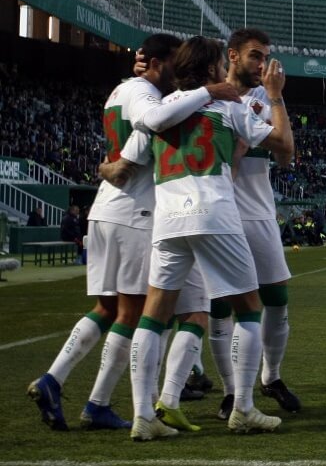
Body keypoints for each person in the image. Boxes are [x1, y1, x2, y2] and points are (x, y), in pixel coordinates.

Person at [27, 33, 241, 432]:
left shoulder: (119, 91)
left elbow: (124, 147)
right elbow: (149, 125)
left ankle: (62, 383)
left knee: (109, 309)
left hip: (108, 209)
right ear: (160, 64)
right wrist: (208, 92)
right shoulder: (147, 95)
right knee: (139, 314)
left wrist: (107, 167)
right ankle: (98, 401)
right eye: (174, 64)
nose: (180, 71)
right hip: (137, 212)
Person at [122, 36, 290, 440]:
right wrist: (276, 98)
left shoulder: (158, 109)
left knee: (153, 315)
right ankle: (244, 407)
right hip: (215, 213)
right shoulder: (229, 106)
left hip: (169, 221)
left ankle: (144, 415)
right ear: (214, 68)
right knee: (249, 308)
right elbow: (283, 144)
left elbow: (131, 154)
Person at [209, 27, 299, 420]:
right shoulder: (209, 95)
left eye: (264, 57)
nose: (261, 64)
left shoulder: (267, 97)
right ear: (232, 56)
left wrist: (275, 98)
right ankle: (232, 392)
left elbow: (286, 157)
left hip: (259, 211)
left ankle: (271, 377)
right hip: (218, 211)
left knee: (276, 299)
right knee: (219, 307)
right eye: (254, 56)